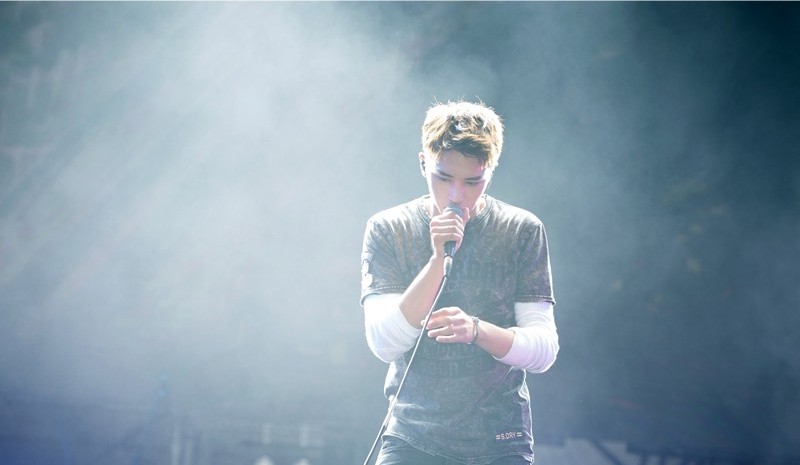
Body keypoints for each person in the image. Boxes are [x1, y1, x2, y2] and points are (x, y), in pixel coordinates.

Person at [360, 100, 560, 465]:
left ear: (490, 172)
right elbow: (384, 343)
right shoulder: (389, 228)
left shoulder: (521, 230)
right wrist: (438, 259)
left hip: (500, 440)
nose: (456, 195)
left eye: (472, 182)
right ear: (423, 163)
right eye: (443, 178)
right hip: (412, 435)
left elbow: (543, 350)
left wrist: (476, 331)